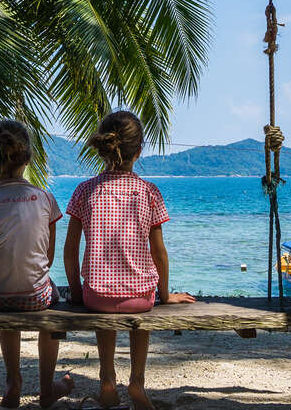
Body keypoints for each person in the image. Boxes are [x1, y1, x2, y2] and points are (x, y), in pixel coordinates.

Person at [63, 110, 195, 410]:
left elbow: (70, 250)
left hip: (95, 297)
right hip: (140, 299)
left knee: (104, 297)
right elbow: (159, 254)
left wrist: (76, 290)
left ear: (102, 148)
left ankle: (107, 377)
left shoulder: (84, 191)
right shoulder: (148, 191)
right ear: (138, 151)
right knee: (140, 315)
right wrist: (164, 295)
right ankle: (136, 382)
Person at [0, 119, 74, 408]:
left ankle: (13, 382)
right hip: (36, 298)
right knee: (50, 297)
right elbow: (47, 258)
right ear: (27, 158)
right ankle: (45, 387)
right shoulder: (45, 199)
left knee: (6, 285)